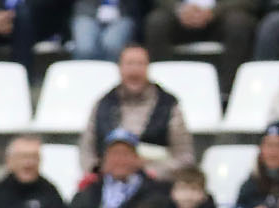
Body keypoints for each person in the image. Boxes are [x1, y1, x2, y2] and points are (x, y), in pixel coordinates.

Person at [78, 44, 195, 180]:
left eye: (140, 64)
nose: (134, 70)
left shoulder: (168, 105)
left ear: (148, 68)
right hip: (107, 182)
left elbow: (184, 157)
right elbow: (86, 150)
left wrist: (150, 171)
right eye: (129, 64)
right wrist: (99, 169)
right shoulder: (102, 104)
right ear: (119, 68)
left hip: (155, 186)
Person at [70, 128, 168, 208]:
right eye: (114, 154)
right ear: (104, 159)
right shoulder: (89, 191)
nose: (120, 160)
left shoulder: (154, 193)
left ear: (137, 158)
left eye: (125, 154)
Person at [143, 0, 257, 78]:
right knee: (156, 22)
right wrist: (179, 9)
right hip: (179, 17)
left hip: (222, 16)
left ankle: (228, 92)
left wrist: (214, 11)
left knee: (239, 23)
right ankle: (162, 86)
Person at [69, 0, 140, 62]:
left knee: (112, 44)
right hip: (87, 12)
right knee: (85, 48)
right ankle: (82, 75)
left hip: (122, 13)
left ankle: (112, 76)